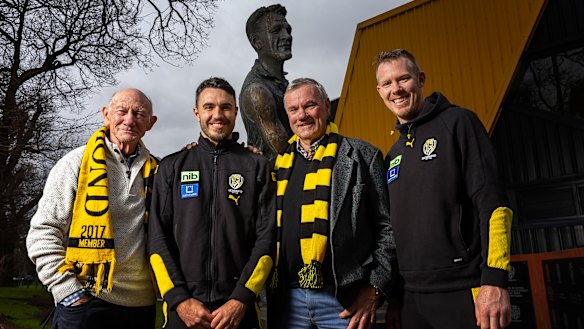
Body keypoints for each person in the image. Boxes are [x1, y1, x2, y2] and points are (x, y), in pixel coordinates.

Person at [375, 48, 513, 329]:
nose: (396, 90)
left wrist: (495, 280)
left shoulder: (459, 123)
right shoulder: (392, 154)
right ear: (379, 91)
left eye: (403, 79)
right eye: (387, 83)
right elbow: (392, 231)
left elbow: (494, 204)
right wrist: (396, 299)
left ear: (421, 79)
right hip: (413, 300)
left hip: (466, 291)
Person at [268, 78, 397, 329]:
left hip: (343, 301)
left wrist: (374, 290)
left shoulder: (362, 156)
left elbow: (388, 228)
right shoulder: (275, 166)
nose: (302, 115)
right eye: (293, 110)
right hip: (287, 302)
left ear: (327, 106)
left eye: (310, 105)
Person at [148, 77, 276, 329]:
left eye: (226, 107)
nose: (218, 114)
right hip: (184, 311)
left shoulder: (257, 166)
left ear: (236, 112)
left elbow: (268, 238)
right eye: (209, 107)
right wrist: (179, 300)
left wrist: (241, 299)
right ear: (197, 113)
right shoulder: (171, 167)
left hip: (238, 310)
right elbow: (156, 238)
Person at [26, 88, 159, 328]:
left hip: (142, 307)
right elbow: (43, 232)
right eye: (122, 111)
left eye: (139, 114)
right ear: (106, 115)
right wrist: (68, 292)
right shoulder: (76, 163)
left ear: (150, 123)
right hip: (85, 303)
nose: (129, 120)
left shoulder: (159, 170)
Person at [239, 4, 294, 162]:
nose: (287, 36)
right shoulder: (257, 92)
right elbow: (287, 155)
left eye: (288, 30)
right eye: (276, 30)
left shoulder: (283, 84)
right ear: (257, 42)